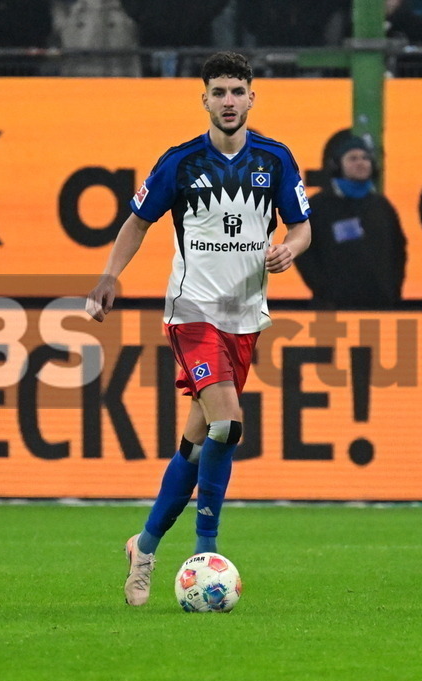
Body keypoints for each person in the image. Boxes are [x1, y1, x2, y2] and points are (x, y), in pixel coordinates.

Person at [85, 51, 312, 606]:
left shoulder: (277, 160)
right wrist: (109, 277)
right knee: (229, 425)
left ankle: (145, 543)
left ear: (252, 97)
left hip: (245, 318)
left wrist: (289, 249)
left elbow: (303, 228)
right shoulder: (179, 163)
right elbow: (137, 222)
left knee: (196, 443)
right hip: (192, 312)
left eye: (238, 91)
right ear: (204, 98)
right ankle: (206, 553)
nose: (229, 101)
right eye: (219, 92)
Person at [295, 136, 406, 309]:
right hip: (333, 307)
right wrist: (325, 290)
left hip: (380, 305)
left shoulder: (381, 205)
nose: (360, 163)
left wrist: (393, 291)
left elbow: (398, 251)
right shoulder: (319, 205)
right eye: (353, 158)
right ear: (338, 165)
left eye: (365, 158)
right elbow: (302, 251)